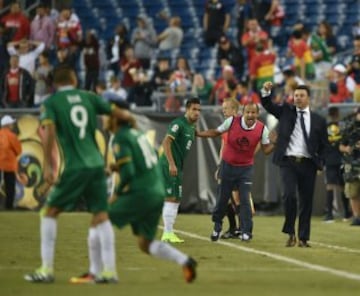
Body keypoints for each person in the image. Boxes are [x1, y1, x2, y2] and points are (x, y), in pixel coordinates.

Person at [24, 66, 134, 283]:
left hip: (75, 166)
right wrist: (129, 121)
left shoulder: (52, 103)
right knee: (101, 216)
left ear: (55, 83)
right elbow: (118, 113)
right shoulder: (89, 97)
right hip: (96, 165)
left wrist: (48, 166)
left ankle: (46, 270)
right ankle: (110, 272)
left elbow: (49, 133)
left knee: (49, 212)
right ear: (74, 78)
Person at [105, 101, 197, 283]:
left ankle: (103, 273)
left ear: (114, 117)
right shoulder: (137, 133)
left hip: (142, 193)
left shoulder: (121, 137)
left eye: (106, 113)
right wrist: (117, 166)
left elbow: (129, 173)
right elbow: (149, 158)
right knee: (145, 243)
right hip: (156, 191)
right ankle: (185, 261)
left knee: (100, 219)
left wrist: (116, 193)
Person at [260, 81, 329, 247]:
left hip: (308, 164)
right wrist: (265, 91)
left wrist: (321, 163)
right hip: (288, 162)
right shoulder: (285, 111)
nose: (297, 98)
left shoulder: (319, 120)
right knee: (289, 195)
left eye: (301, 95)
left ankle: (303, 238)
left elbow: (324, 145)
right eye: (296, 95)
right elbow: (267, 104)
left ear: (309, 98)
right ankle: (291, 232)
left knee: (306, 201)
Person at [197, 102, 275, 241]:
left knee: (244, 200)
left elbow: (266, 150)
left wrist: (275, 143)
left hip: (245, 169)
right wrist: (199, 134)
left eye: (253, 113)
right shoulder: (232, 121)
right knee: (222, 200)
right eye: (248, 112)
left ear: (257, 114)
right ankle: (217, 227)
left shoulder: (262, 129)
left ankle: (246, 232)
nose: (250, 115)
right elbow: (215, 132)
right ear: (242, 113)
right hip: (228, 166)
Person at [160, 97, 201, 243]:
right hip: (170, 165)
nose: (197, 113)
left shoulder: (191, 127)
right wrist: (171, 163)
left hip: (178, 166)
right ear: (187, 109)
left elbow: (202, 134)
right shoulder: (179, 124)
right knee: (171, 197)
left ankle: (169, 232)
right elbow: (166, 142)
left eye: (199, 110)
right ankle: (167, 232)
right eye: (194, 109)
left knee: (176, 198)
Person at [323, 106, 352, 222]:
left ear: (329, 115)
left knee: (330, 186)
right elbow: (347, 142)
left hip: (330, 160)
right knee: (342, 187)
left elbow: (323, 144)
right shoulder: (343, 127)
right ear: (338, 114)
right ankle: (346, 213)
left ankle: (329, 215)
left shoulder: (325, 128)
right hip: (341, 159)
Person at [339, 108, 360, 226]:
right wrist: (349, 149)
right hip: (352, 164)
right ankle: (357, 217)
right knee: (353, 192)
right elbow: (341, 146)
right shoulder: (349, 128)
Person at [0, 115, 22, 210]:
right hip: (9, 165)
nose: (13, 125)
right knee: (10, 187)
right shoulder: (11, 136)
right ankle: (8, 207)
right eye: (11, 123)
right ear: (8, 125)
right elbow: (18, 150)